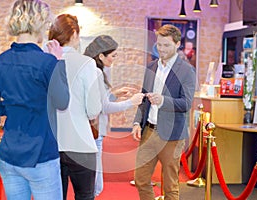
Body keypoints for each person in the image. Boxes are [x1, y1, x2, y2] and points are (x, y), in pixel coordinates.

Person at [0, 0, 69, 199]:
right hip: (41, 155)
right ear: (38, 22)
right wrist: (59, 62)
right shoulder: (48, 62)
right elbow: (63, 101)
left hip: (10, 154)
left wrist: (14, 107)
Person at [132, 24, 196, 200]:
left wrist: (163, 101)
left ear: (177, 44)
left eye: (166, 45)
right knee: (141, 179)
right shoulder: (151, 67)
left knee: (170, 186)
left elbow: (186, 103)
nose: (161, 49)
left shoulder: (187, 71)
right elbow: (143, 98)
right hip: (148, 132)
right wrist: (137, 122)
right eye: (159, 45)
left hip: (173, 136)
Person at [48, 14, 102, 200]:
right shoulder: (87, 63)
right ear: (74, 34)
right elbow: (94, 110)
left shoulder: (45, 61)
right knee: (85, 195)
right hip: (81, 145)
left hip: (51, 144)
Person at [84, 35, 144, 196]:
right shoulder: (96, 72)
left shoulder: (92, 70)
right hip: (95, 131)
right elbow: (104, 107)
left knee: (93, 183)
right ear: (101, 55)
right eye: (113, 56)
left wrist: (114, 94)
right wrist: (131, 102)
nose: (114, 59)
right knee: (96, 185)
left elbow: (98, 101)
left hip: (91, 131)